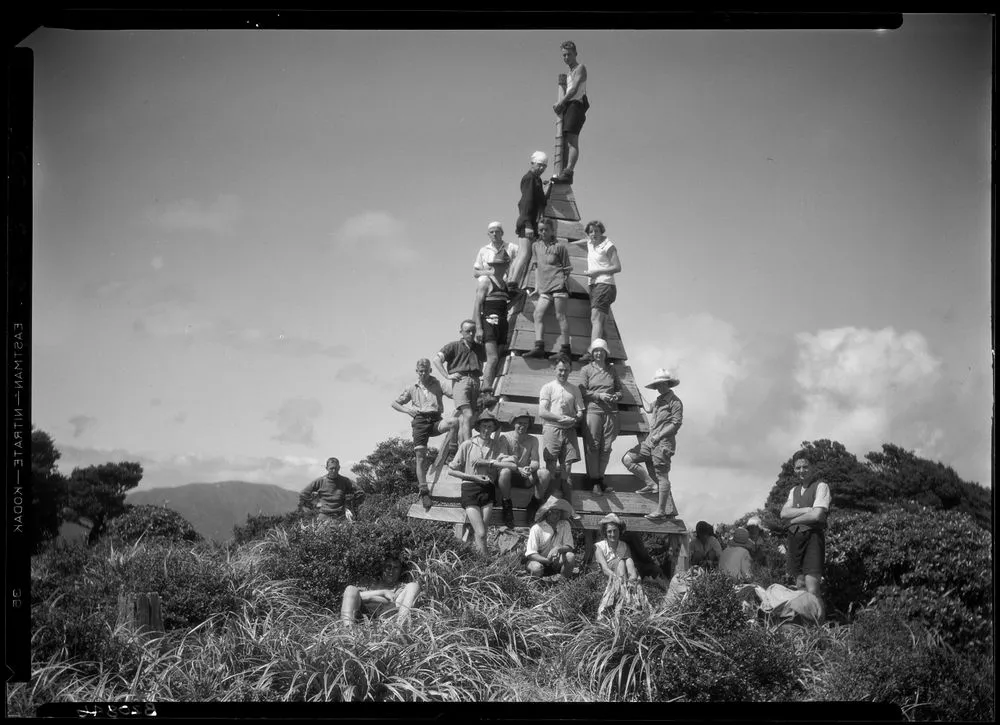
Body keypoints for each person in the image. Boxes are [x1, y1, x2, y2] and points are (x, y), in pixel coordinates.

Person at [391, 358, 458, 510]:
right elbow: (395, 403)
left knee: (454, 422)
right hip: (420, 422)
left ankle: (452, 454)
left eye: (426, 371)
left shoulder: (438, 384)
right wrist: (408, 410)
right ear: (417, 372)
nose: (423, 374)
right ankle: (424, 491)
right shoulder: (411, 388)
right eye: (420, 371)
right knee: (421, 457)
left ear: (430, 371)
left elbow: (454, 394)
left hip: (435, 420)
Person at [448, 410, 516, 554]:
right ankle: (485, 563)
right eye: (484, 426)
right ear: (478, 427)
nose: (486, 430)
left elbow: (512, 465)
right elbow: (451, 470)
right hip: (470, 488)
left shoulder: (497, 445)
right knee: (481, 532)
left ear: (493, 428)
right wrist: (474, 477)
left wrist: (490, 463)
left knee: (483, 532)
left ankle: (479, 564)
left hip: (488, 489)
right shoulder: (467, 444)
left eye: (490, 427)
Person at [623, 368, 683, 521]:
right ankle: (650, 484)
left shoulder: (675, 402)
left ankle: (661, 511)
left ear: (667, 383)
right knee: (627, 459)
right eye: (657, 384)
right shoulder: (658, 400)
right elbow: (648, 408)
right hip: (650, 441)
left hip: (663, 444)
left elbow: (676, 424)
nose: (659, 387)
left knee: (662, 476)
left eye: (661, 384)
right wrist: (636, 391)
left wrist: (659, 436)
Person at [537, 354, 584, 517]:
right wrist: (560, 418)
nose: (563, 373)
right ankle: (547, 505)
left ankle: (568, 507)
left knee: (567, 469)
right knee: (550, 468)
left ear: (570, 369)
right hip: (552, 428)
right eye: (560, 370)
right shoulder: (548, 387)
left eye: (566, 370)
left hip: (569, 430)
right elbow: (542, 411)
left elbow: (580, 411)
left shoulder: (574, 389)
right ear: (555, 369)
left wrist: (575, 418)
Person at [780, 453, 831, 598]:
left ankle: (818, 621)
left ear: (812, 467)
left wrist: (793, 520)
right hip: (795, 540)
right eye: (798, 468)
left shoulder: (821, 486)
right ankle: (804, 620)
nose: (801, 470)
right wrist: (807, 510)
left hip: (812, 538)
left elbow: (817, 515)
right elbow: (783, 513)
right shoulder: (793, 491)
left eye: (805, 467)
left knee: (812, 587)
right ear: (794, 470)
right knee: (800, 586)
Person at [522, 218, 573, 361]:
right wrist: (537, 287)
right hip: (544, 288)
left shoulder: (560, 247)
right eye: (541, 229)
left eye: (546, 229)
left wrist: (563, 282)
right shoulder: (535, 246)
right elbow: (537, 267)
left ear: (552, 231)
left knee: (560, 316)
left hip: (558, 286)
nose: (543, 232)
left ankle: (565, 349)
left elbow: (567, 268)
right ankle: (539, 347)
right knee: (537, 315)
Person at [578, 338, 622, 495]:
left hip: (611, 412)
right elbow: (582, 391)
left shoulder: (612, 369)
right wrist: (599, 395)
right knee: (593, 446)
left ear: (605, 353)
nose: (598, 353)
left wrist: (616, 396)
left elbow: (619, 389)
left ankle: (599, 479)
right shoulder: (586, 370)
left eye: (601, 351)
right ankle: (594, 481)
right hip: (593, 410)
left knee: (606, 447)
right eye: (595, 351)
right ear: (592, 353)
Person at [433, 319, 487, 446]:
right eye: (468, 331)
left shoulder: (479, 348)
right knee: (467, 413)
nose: (471, 334)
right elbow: (436, 360)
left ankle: (462, 447)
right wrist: (447, 376)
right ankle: (468, 446)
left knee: (467, 418)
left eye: (473, 331)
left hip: (475, 380)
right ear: (461, 332)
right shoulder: (453, 346)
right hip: (460, 380)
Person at [497, 411, 553, 529]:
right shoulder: (505, 437)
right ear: (514, 423)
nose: (523, 426)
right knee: (505, 471)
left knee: (545, 473)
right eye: (520, 423)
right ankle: (507, 505)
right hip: (509, 476)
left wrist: (530, 467)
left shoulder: (533, 440)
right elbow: (503, 460)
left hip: (525, 476)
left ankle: (534, 504)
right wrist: (518, 468)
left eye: (526, 423)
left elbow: (535, 461)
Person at [578, 220, 621, 362]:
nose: (593, 234)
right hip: (594, 285)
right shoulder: (590, 242)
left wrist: (597, 272)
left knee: (595, 319)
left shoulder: (608, 245)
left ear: (601, 232)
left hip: (604, 284)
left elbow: (617, 267)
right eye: (591, 231)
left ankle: (593, 352)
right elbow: (581, 242)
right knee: (601, 322)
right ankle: (605, 352)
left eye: (596, 231)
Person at [472, 246, 513, 395]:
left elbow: (507, 303)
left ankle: (491, 388)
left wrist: (520, 297)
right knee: (493, 358)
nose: (500, 267)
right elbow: (477, 305)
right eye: (497, 265)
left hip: (502, 323)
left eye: (503, 264)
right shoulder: (486, 282)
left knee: (499, 357)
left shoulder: (504, 284)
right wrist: (478, 327)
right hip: (489, 323)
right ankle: (485, 391)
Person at [595, 513, 649, 620]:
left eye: (615, 531)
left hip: (623, 571)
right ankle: (622, 595)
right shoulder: (599, 547)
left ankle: (633, 587)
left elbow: (629, 564)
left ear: (619, 531)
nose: (613, 534)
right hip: (609, 573)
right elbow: (604, 569)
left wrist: (634, 574)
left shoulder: (624, 545)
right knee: (621, 563)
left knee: (628, 560)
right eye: (609, 531)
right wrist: (616, 578)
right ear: (605, 533)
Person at [340, 555, 421, 627]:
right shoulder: (370, 584)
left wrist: (371, 597)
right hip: (364, 615)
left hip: (389, 617)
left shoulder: (402, 587)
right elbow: (350, 597)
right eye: (388, 566)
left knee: (414, 586)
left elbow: (400, 601)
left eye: (396, 567)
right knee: (350, 588)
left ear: (400, 571)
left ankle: (401, 629)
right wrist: (383, 592)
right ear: (383, 568)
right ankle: (348, 630)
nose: (391, 570)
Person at [509, 151, 550, 292]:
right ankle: (512, 282)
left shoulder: (536, 180)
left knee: (523, 252)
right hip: (527, 221)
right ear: (532, 163)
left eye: (544, 166)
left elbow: (541, 200)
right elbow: (526, 202)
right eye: (539, 165)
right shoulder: (530, 178)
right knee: (525, 253)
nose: (542, 168)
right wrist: (527, 224)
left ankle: (512, 281)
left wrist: (546, 186)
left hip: (529, 221)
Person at [551, 40, 589, 184]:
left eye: (569, 55)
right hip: (569, 106)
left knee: (572, 141)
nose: (566, 58)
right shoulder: (568, 73)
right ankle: (564, 171)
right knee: (566, 140)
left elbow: (573, 90)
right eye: (564, 55)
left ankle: (569, 171)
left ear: (575, 54)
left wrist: (561, 102)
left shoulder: (580, 68)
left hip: (575, 105)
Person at [523, 496, 576, 578]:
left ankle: (564, 583)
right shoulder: (537, 528)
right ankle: (538, 585)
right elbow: (531, 554)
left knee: (570, 556)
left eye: (558, 512)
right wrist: (547, 560)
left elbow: (569, 546)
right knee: (536, 568)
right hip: (539, 561)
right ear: (547, 512)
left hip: (557, 562)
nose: (556, 515)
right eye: (553, 512)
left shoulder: (565, 524)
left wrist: (558, 548)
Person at [299, 457, 365, 524]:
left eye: (336, 468)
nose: (334, 470)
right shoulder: (320, 481)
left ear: (339, 468)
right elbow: (303, 493)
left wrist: (351, 504)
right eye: (331, 468)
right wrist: (314, 504)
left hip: (340, 517)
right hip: (324, 517)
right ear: (326, 468)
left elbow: (360, 492)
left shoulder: (345, 481)